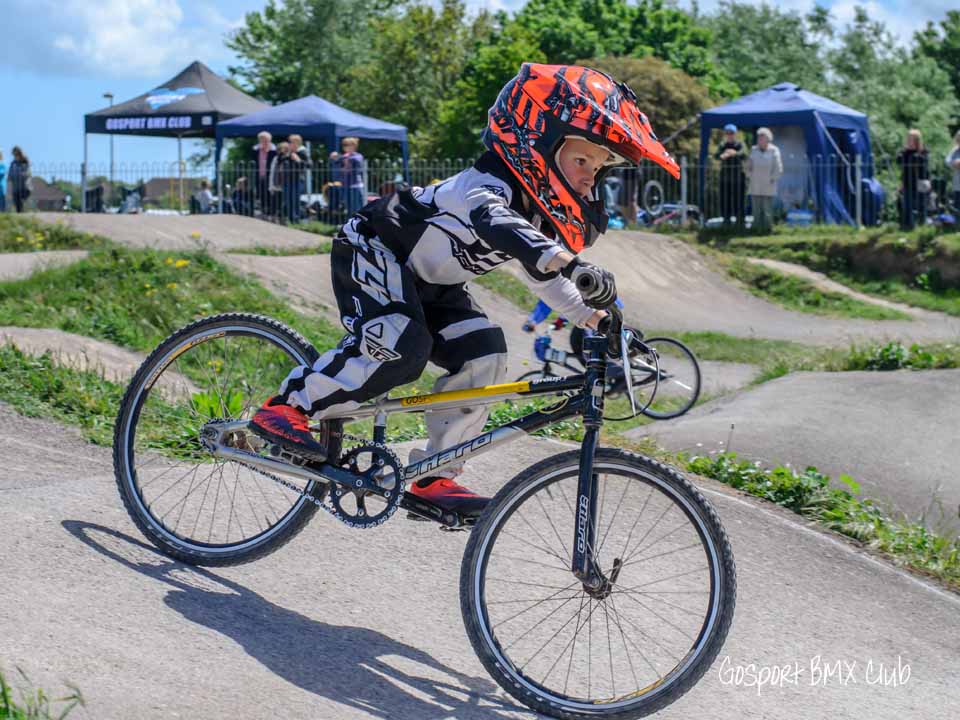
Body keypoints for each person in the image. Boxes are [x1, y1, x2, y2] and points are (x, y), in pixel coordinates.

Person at [248, 63, 679, 517]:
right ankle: (286, 407)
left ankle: (433, 474)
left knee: (485, 354)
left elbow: (547, 282)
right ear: (538, 144)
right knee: (401, 344)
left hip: (434, 285)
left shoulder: (533, 213)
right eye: (582, 160)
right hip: (375, 247)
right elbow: (495, 221)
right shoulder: (485, 186)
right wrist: (570, 262)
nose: (591, 176)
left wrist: (598, 320)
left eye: (599, 167)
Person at [745, 128, 782, 233]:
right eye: (759, 137)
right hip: (755, 184)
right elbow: (747, 166)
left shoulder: (774, 150)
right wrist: (749, 176)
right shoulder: (753, 149)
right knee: (756, 209)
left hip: (768, 184)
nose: (760, 139)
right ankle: (755, 229)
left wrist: (773, 178)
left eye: (762, 137)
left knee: (767, 209)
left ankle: (767, 229)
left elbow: (778, 167)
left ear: (768, 139)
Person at [897, 129, 930, 230]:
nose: (909, 141)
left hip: (920, 182)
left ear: (917, 140)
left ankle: (922, 224)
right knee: (907, 204)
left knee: (921, 204)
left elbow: (923, 164)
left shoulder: (923, 152)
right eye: (908, 138)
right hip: (907, 182)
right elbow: (900, 162)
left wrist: (915, 155)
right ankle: (907, 225)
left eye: (911, 139)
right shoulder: (905, 153)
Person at [714, 123, 746, 226]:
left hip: (738, 178)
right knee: (725, 199)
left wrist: (734, 153)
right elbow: (716, 155)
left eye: (731, 133)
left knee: (738, 199)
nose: (729, 135)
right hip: (725, 178)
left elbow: (744, 154)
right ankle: (726, 220)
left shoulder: (739, 144)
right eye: (727, 133)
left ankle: (740, 220)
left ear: (735, 134)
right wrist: (723, 155)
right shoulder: (722, 145)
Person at [330, 137, 366, 215]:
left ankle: (359, 222)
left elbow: (356, 160)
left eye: (349, 145)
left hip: (356, 186)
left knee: (357, 208)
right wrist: (335, 157)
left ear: (354, 146)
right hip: (346, 185)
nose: (346, 147)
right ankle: (350, 221)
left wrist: (343, 158)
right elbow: (336, 162)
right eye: (345, 145)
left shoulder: (358, 156)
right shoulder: (344, 156)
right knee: (349, 208)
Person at [250, 131, 276, 217]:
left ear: (270, 140)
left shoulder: (274, 150)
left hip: (271, 176)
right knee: (261, 192)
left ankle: (271, 211)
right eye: (262, 140)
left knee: (270, 193)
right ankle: (263, 210)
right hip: (259, 174)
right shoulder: (255, 150)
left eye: (266, 140)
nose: (264, 142)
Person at [287, 134, 312, 224]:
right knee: (289, 199)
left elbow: (309, 165)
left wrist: (298, 160)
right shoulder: (289, 152)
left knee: (295, 199)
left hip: (298, 179)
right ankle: (290, 218)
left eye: (292, 142)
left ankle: (296, 219)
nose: (290, 144)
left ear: (298, 143)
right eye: (290, 142)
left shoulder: (302, 152)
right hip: (288, 179)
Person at [268, 141, 294, 223]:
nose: (282, 150)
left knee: (285, 203)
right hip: (276, 185)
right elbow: (272, 172)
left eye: (285, 148)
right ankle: (273, 217)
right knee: (275, 202)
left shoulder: (290, 157)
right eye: (280, 149)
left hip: (286, 184)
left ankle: (284, 218)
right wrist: (271, 185)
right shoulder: (275, 158)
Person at [8, 146, 31, 213]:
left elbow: (27, 172)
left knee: (21, 200)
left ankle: (23, 211)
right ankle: (20, 214)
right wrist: (10, 177)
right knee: (17, 204)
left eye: (17, 154)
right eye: (14, 154)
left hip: (24, 186)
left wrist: (24, 174)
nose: (15, 156)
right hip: (15, 187)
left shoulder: (25, 161)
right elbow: (10, 174)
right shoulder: (13, 163)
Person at [945, 130, 960, 213]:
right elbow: (947, 161)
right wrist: (954, 163)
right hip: (957, 183)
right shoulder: (954, 150)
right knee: (957, 207)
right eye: (958, 139)